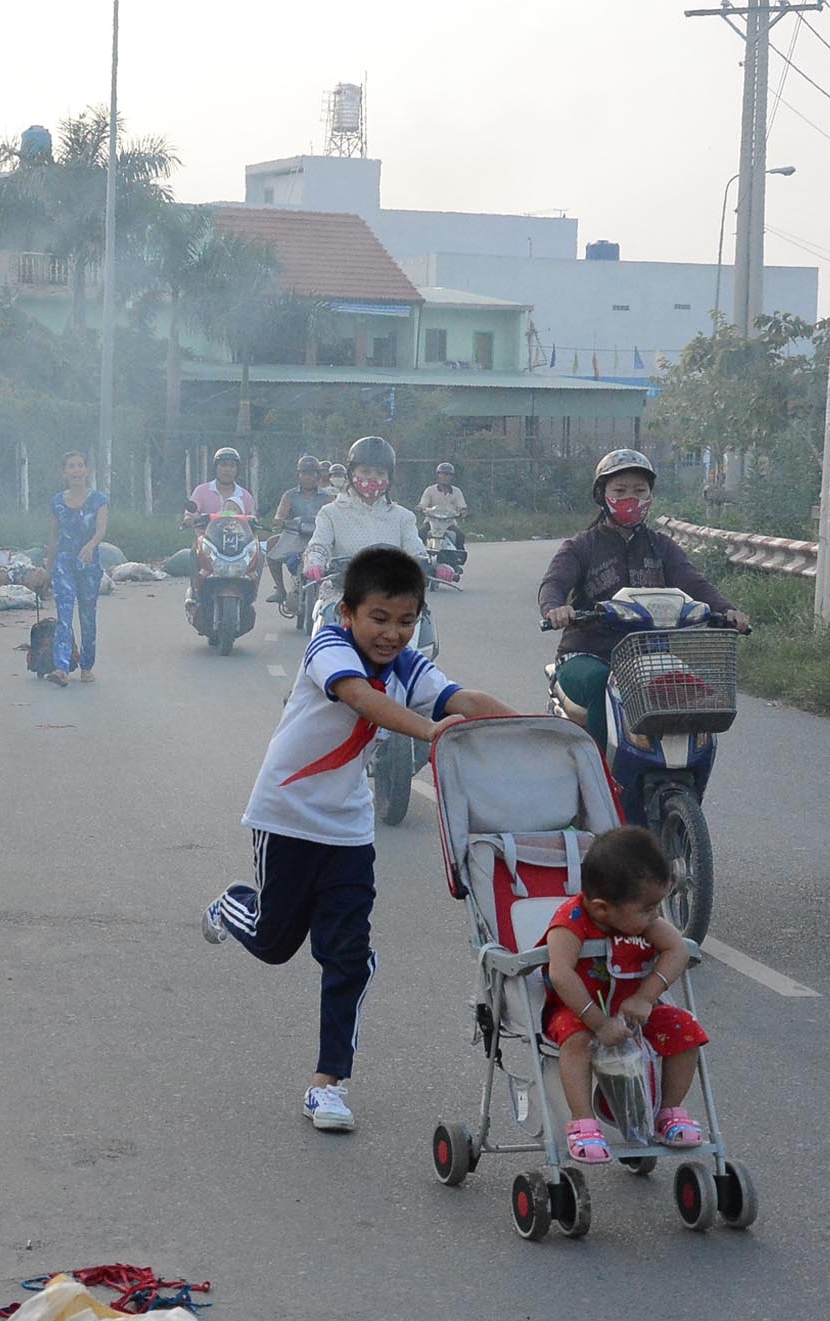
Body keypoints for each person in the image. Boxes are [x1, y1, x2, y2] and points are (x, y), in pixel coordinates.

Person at [203, 548, 516, 1133]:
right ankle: (232, 905)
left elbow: (463, 701)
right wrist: (428, 731)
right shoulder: (329, 647)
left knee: (349, 956)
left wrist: (534, 732)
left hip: (348, 830)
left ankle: (329, 1083)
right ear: (348, 613)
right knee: (274, 944)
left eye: (406, 621)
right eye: (379, 618)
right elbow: (357, 696)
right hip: (287, 818)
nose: (392, 634)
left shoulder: (408, 667)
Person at [537, 449, 750, 749]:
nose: (630, 499)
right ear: (602, 495)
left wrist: (727, 611)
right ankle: (601, 777)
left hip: (648, 659)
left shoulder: (662, 548)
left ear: (650, 496)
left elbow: (694, 583)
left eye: (640, 491)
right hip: (588, 655)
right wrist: (554, 608)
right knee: (602, 687)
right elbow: (554, 583)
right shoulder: (581, 546)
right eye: (620, 491)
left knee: (694, 694)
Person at [540, 826, 711, 1164]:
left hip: (631, 1010)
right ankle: (583, 1121)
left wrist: (646, 996)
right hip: (581, 1010)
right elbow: (561, 973)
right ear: (603, 909)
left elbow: (676, 948)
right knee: (577, 1040)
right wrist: (598, 1021)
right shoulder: (570, 923)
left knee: (684, 1028)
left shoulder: (639, 920)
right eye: (648, 909)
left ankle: (668, 1112)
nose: (655, 915)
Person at [302, 436, 438, 585]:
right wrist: (314, 562)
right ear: (351, 473)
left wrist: (435, 565)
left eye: (380, 473)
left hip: (393, 596)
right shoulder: (331, 513)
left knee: (421, 608)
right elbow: (319, 544)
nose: (373, 478)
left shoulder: (403, 517)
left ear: (389, 477)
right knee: (328, 609)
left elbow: (416, 550)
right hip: (341, 595)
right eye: (365, 472)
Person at [45, 450, 108, 686]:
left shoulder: (99, 500)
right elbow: (53, 538)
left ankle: (86, 665)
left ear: (87, 471)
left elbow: (101, 529)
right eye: (71, 466)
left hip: (89, 563)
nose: (76, 470)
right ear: (64, 473)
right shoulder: (58, 503)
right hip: (64, 562)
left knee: (87, 615)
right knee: (64, 611)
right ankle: (61, 668)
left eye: (80, 466)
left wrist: (91, 546)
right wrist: (48, 569)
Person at [266, 454, 334, 603]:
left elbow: (336, 516)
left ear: (318, 476)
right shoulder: (289, 495)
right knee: (271, 544)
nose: (307, 477)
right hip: (295, 537)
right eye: (304, 473)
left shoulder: (328, 497)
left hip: (320, 537)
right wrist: (279, 521)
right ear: (298, 475)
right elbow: (280, 515)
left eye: (311, 473)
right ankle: (280, 590)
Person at [185, 447, 254, 529]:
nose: (227, 469)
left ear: (237, 470)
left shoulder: (246, 496)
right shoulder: (201, 491)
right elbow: (191, 514)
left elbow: (252, 519)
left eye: (232, 466)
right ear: (215, 468)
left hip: (239, 540)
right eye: (223, 465)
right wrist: (189, 518)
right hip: (205, 540)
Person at [417, 462, 469, 552]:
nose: (445, 477)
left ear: (452, 477)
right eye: (443, 474)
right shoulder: (430, 490)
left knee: (460, 536)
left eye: (449, 474)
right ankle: (419, 555)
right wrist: (420, 508)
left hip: (449, 523)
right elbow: (423, 504)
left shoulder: (457, 491)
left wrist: (462, 512)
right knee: (420, 534)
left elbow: (462, 506)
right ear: (438, 475)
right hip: (431, 522)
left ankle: (458, 557)